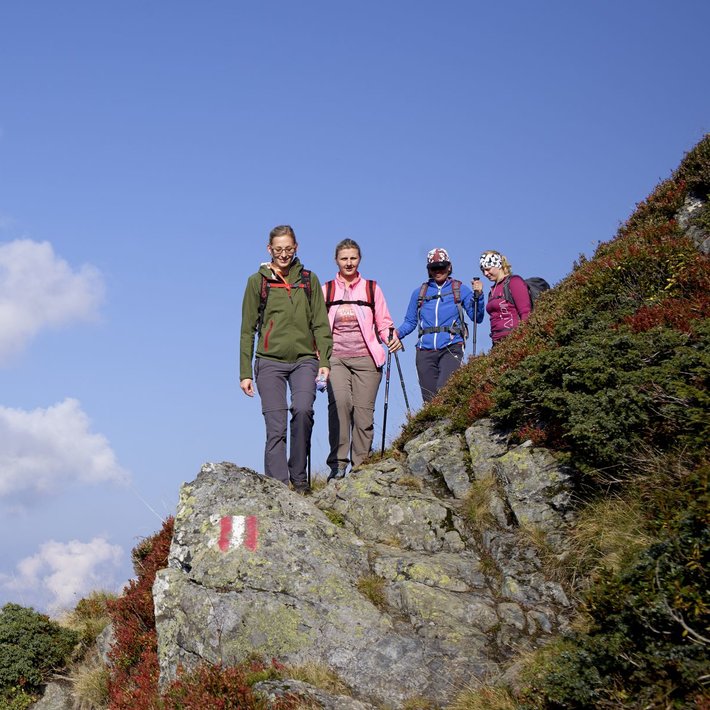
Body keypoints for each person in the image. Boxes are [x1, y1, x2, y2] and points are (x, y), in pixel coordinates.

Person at [239, 225, 332, 494]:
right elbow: (247, 329)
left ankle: (299, 479)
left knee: (303, 411)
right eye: (278, 249)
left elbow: (321, 325)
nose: (283, 254)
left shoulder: (308, 280)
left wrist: (324, 360)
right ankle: (279, 487)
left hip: (305, 360)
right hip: (268, 362)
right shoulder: (257, 282)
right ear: (269, 249)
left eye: (288, 249)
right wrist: (245, 372)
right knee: (276, 426)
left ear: (296, 248)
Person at [323, 239, 402, 481]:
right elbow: (316, 324)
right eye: (344, 258)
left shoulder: (371, 288)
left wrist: (391, 337)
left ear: (359, 260)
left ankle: (361, 466)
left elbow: (384, 321)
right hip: (335, 358)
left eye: (353, 258)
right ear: (336, 260)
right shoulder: (326, 290)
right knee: (340, 407)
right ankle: (338, 465)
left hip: (367, 360)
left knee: (363, 414)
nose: (349, 263)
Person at [397, 247, 484, 403]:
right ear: (429, 270)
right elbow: (410, 322)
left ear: (449, 267)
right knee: (430, 399)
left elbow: (477, 317)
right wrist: (396, 334)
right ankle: (433, 427)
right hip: (424, 350)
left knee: (445, 390)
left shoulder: (459, 289)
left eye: (442, 266)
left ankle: (451, 424)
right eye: (434, 267)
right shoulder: (419, 293)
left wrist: (479, 297)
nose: (438, 270)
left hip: (452, 346)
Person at [475, 250, 532, 344]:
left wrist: (523, 338)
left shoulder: (514, 282)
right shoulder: (492, 290)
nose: (485, 273)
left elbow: (525, 312)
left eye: (488, 269)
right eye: (483, 270)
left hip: (515, 339)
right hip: (496, 342)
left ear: (498, 265)